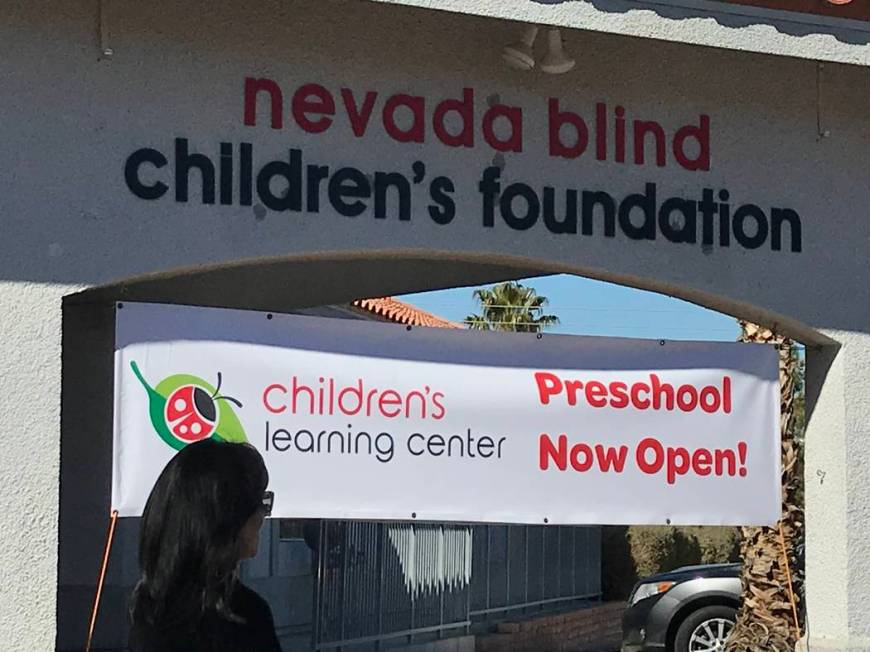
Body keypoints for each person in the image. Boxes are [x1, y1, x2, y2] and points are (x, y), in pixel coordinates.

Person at [128, 439, 282, 651]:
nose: (264, 516)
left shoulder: (148, 608)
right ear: (227, 518)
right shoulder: (246, 614)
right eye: (260, 503)